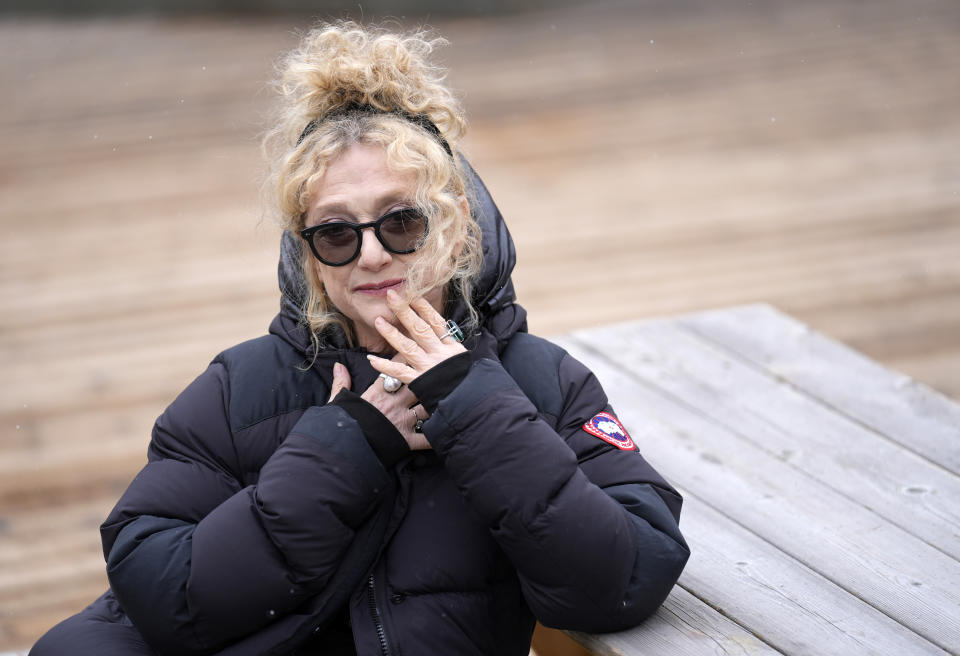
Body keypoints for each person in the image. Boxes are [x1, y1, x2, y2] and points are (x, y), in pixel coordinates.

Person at [31, 21, 689, 656]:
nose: (371, 256)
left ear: (455, 228)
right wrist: (345, 447)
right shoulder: (241, 388)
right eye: (338, 234)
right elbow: (160, 593)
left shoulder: (543, 381)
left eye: (401, 223)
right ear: (311, 258)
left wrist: (476, 407)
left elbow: (625, 580)